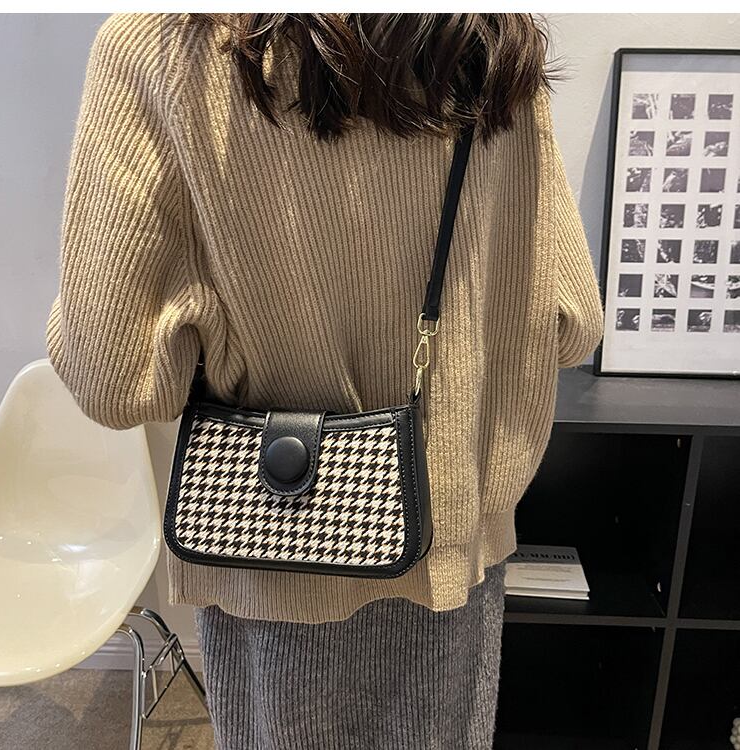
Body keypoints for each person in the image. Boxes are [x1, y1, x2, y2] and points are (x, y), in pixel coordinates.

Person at [46, 12, 603, 749]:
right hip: (452, 551)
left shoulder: (162, 48)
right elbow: (572, 321)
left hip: (268, 542)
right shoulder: (489, 43)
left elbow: (114, 380)